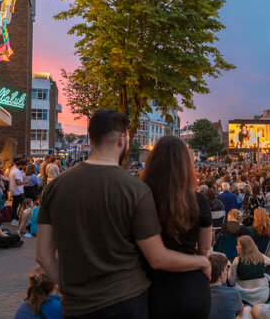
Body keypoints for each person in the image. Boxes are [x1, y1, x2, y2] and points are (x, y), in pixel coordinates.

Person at [36, 109, 210, 319]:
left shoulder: (54, 188)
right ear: (122, 139)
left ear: (90, 138)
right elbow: (157, 257)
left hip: (77, 306)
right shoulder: (136, 190)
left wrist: (69, 289)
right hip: (126, 301)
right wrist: (201, 261)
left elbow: (43, 255)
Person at [143, 135, 213, 319]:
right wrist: (202, 261)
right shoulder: (198, 201)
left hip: (152, 287)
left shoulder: (142, 199)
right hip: (190, 288)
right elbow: (205, 248)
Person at [228, 235, 270, 306]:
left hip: (244, 298)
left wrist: (229, 269)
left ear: (244, 247)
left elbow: (231, 282)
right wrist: (263, 264)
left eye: (238, 245)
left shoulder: (237, 260)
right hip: (263, 297)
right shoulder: (260, 256)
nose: (236, 247)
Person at [208, 253, 245, 319]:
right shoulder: (233, 293)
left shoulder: (198, 292)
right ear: (222, 274)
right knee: (247, 310)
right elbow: (240, 310)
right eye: (226, 269)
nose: (227, 271)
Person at [9, 159, 27, 225]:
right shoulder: (17, 172)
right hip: (18, 191)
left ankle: (15, 217)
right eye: (24, 166)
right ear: (21, 165)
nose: (25, 167)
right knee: (23, 204)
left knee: (15, 205)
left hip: (14, 190)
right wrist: (25, 182)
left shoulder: (13, 170)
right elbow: (18, 182)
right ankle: (17, 218)